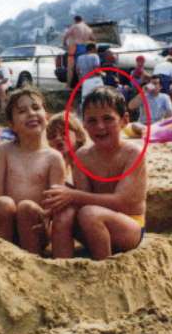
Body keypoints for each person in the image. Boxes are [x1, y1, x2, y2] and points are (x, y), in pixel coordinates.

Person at [45, 86, 147, 260]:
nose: (100, 126)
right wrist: (52, 207)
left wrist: (73, 195)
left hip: (130, 226)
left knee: (89, 213)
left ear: (124, 120)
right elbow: (83, 200)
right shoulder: (83, 156)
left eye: (108, 119)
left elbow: (123, 202)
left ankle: (103, 270)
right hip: (93, 224)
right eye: (92, 121)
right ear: (84, 124)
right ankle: (62, 267)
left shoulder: (132, 154)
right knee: (66, 213)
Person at [0, 87, 66, 256]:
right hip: (6, 223)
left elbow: (55, 200)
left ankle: (31, 261)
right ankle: (4, 256)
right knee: (3, 203)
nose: (31, 113)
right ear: (12, 125)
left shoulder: (53, 157)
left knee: (26, 207)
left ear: (46, 116)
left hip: (35, 226)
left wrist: (47, 216)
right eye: (22, 111)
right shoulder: (5, 151)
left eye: (36, 107)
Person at [46, 112, 87, 183]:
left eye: (64, 133)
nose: (58, 138)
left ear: (78, 135)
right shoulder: (54, 165)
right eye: (52, 136)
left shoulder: (87, 159)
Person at [63, 15, 95, 86]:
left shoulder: (75, 26)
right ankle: (82, 84)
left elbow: (66, 35)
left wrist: (64, 43)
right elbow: (93, 38)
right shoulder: (88, 28)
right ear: (82, 20)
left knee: (70, 68)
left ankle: (68, 84)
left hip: (75, 47)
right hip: (84, 48)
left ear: (75, 20)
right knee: (82, 67)